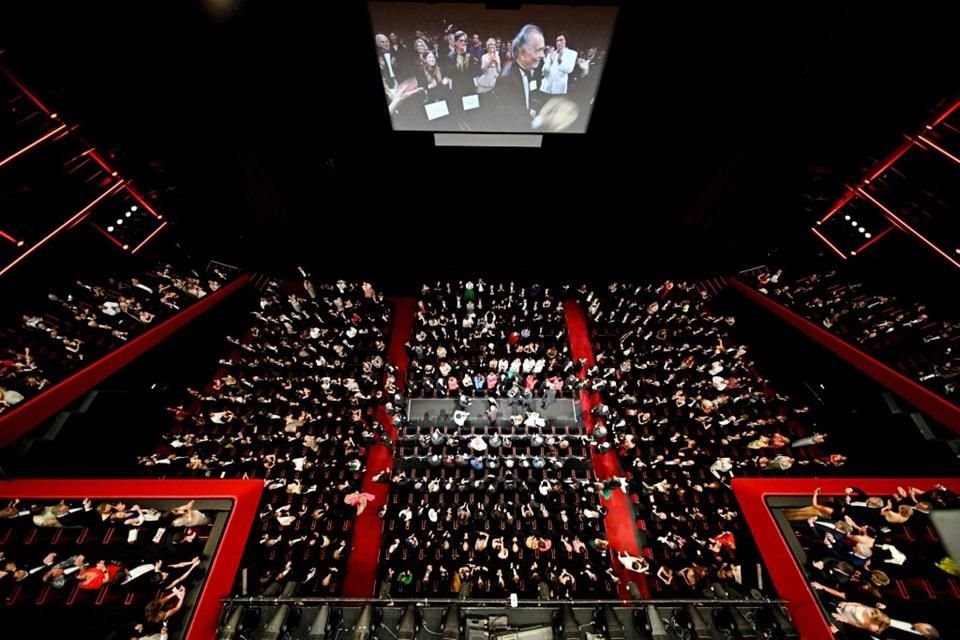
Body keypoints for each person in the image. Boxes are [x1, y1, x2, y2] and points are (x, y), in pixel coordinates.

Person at [494, 23, 545, 131]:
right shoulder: (506, 79)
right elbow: (508, 119)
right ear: (522, 52)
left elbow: (533, 93)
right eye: (538, 50)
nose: (542, 55)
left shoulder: (531, 69)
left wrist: (533, 108)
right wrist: (538, 122)